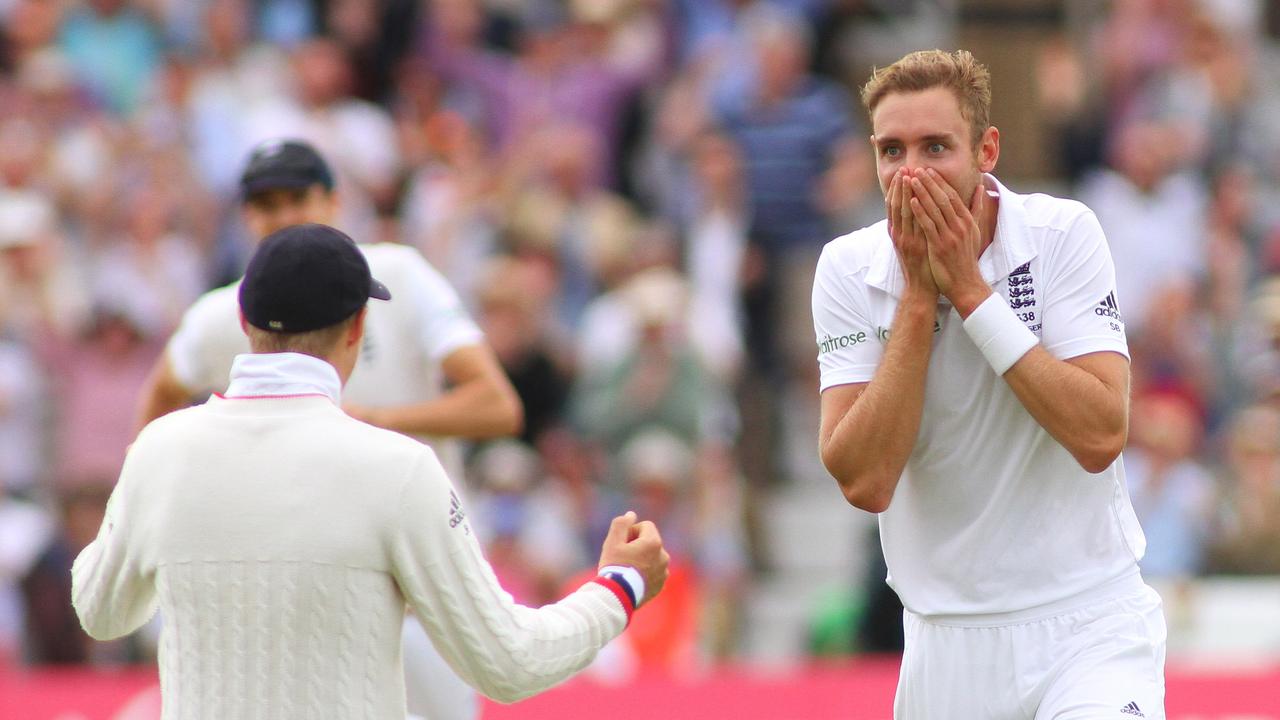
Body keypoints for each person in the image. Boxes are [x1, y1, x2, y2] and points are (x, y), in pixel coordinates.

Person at [72, 223, 669, 718]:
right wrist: (620, 586)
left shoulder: (161, 451)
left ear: (245, 321)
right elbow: (508, 663)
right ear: (358, 327)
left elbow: (102, 611)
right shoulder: (400, 468)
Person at [812, 50, 1166, 719]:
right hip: (945, 644)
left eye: (936, 146)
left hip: (1087, 622)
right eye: (892, 151)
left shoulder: (1062, 234)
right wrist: (919, 299)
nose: (911, 172)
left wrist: (971, 293)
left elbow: (1099, 435)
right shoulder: (847, 269)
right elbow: (865, 481)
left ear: (987, 149)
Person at [133, 139, 522, 720]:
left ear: (334, 201)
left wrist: (378, 424)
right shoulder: (222, 314)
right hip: (302, 611)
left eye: (298, 198)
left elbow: (497, 405)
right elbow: (162, 394)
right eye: (267, 204)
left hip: (423, 599)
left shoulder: (398, 276)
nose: (284, 216)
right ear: (246, 216)